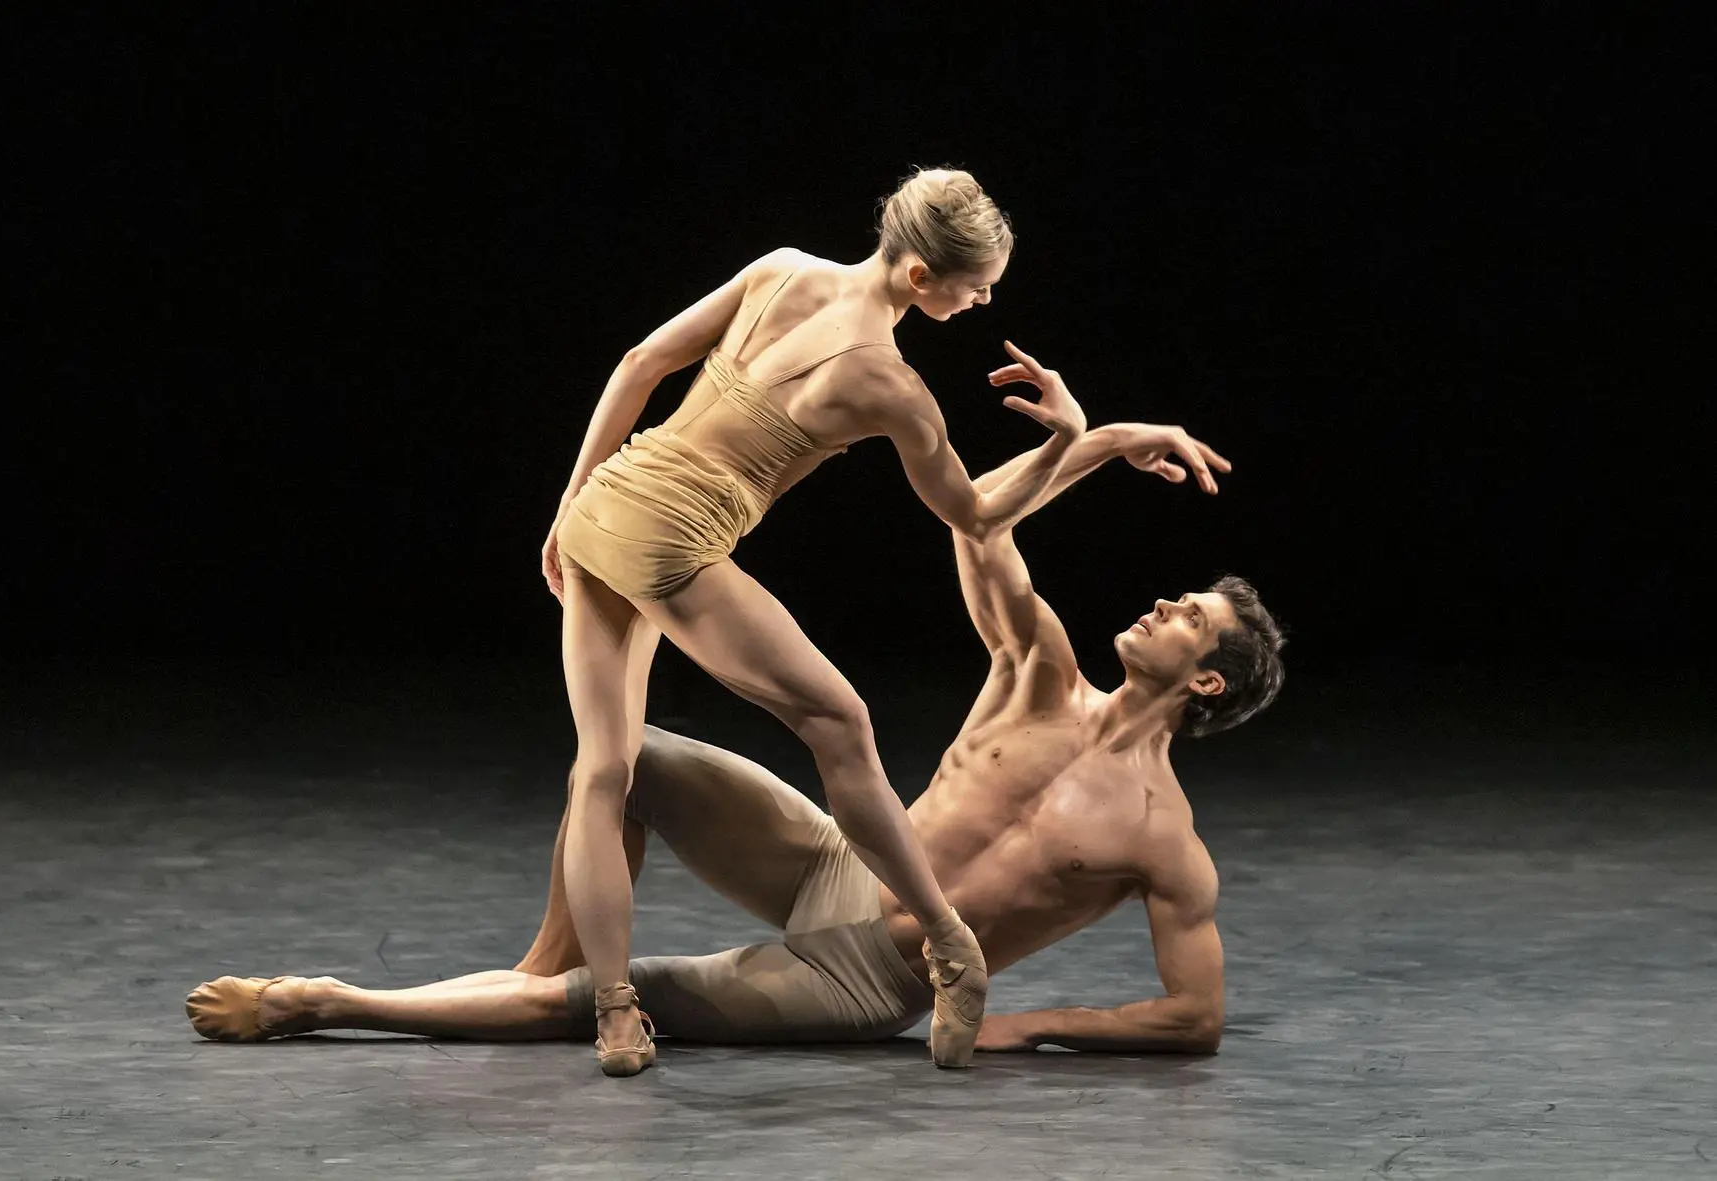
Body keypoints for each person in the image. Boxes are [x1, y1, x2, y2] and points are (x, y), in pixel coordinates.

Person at [186, 415, 1287, 1057]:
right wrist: (1100, 439)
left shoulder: (1163, 837)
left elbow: (1194, 1014)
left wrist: (1034, 1023)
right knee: (627, 758)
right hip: (836, 862)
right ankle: (539, 963)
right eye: (1178, 593)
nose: (1160, 603)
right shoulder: (1037, 673)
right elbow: (974, 521)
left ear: (1201, 678)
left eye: (1188, 615)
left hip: (869, 979)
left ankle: (321, 998)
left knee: (614, 1000)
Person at [538, 167, 1084, 1074]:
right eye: (976, 284)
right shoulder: (890, 385)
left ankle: (616, 1014)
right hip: (672, 542)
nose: (985, 299)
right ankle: (950, 945)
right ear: (920, 278)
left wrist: (569, 500)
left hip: (608, 503)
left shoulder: (781, 267)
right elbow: (977, 516)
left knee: (605, 767)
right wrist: (1068, 436)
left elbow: (641, 363)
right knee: (841, 722)